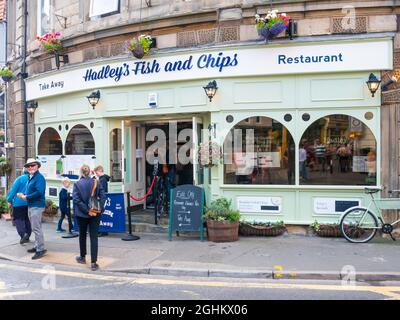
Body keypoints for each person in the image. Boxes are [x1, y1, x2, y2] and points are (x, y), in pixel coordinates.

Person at [73, 164, 106, 271]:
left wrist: (87, 210)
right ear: (90, 172)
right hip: (95, 214)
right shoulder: (96, 182)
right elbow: (103, 196)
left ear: (81, 173)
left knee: (82, 235)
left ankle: (82, 257)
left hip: (82, 214)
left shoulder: (77, 184)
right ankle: (93, 263)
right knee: (94, 237)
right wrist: (98, 209)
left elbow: (76, 200)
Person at [17, 159, 47, 260]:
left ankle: (40, 249)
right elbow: (32, 190)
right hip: (32, 205)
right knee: (35, 227)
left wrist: (26, 197)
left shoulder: (39, 177)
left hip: (37, 206)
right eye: (28, 166)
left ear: (37, 166)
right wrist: (24, 195)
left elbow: (39, 192)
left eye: (32, 165)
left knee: (36, 228)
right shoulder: (32, 177)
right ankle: (37, 246)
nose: (30, 167)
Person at [7, 169, 31, 244]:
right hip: (29, 202)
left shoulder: (19, 179)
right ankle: (27, 236)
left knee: (18, 220)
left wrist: (9, 200)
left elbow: (13, 191)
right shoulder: (32, 179)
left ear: (23, 171)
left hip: (19, 203)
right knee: (27, 219)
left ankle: (23, 235)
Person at [94, 165, 110, 237]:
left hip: (101, 199)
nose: (96, 174)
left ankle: (103, 231)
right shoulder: (102, 179)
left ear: (99, 171)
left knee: (101, 215)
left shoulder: (102, 180)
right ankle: (103, 231)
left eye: (96, 173)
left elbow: (102, 190)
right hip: (102, 199)